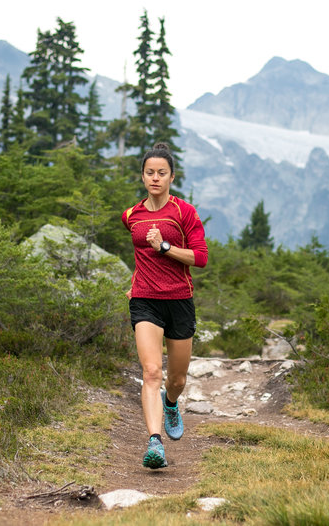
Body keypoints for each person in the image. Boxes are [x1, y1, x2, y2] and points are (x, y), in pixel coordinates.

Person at [121, 142, 208, 469]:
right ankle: (154, 442)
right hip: (145, 301)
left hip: (179, 302)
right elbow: (139, 255)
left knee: (176, 380)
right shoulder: (131, 215)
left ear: (172, 176)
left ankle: (171, 404)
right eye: (149, 172)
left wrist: (165, 246)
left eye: (161, 173)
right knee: (151, 371)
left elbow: (200, 258)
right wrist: (134, 283)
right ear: (143, 176)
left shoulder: (185, 213)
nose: (155, 178)